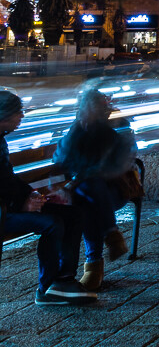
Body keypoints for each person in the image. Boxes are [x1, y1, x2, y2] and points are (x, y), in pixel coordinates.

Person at [0, 90, 95, 305]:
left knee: (74, 214)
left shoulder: (1, 139)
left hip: (12, 205)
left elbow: (8, 178)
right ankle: (47, 287)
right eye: (18, 113)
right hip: (4, 210)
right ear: (4, 115)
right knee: (52, 224)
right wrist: (22, 203)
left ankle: (64, 279)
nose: (21, 117)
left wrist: (32, 194)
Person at [52, 86, 137, 291]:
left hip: (114, 191)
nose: (86, 116)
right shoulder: (77, 130)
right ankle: (111, 234)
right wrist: (75, 129)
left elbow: (106, 168)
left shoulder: (116, 128)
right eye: (83, 112)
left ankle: (94, 266)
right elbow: (59, 160)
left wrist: (73, 183)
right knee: (85, 200)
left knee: (91, 190)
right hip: (83, 192)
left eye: (92, 112)